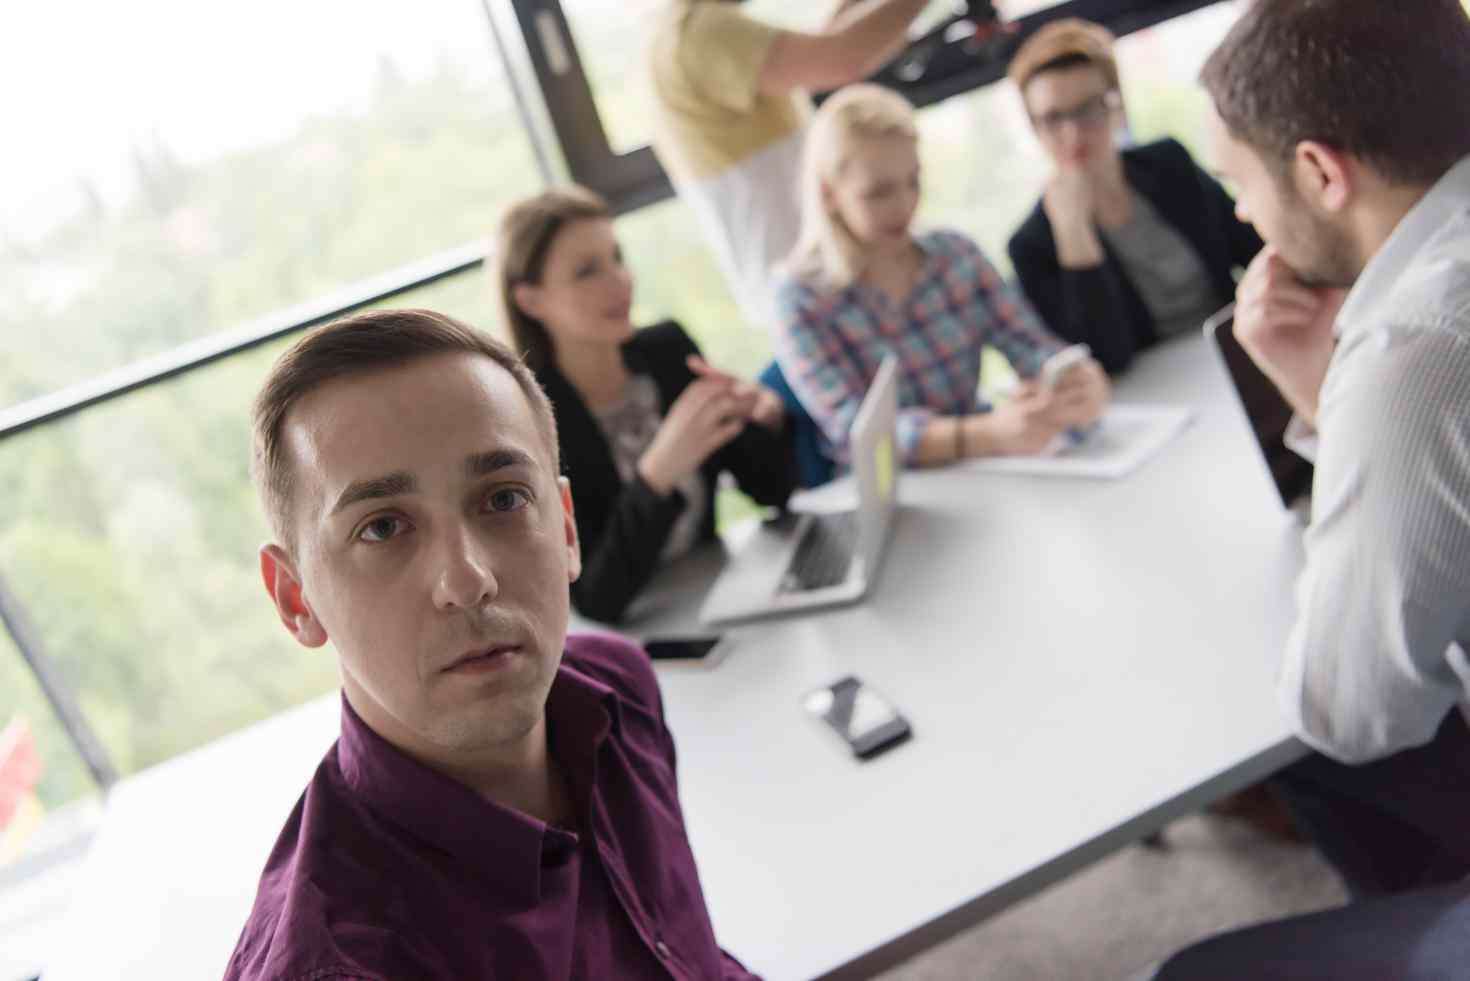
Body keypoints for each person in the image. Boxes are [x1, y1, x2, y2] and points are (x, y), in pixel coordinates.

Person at [225, 309, 759, 979]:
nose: (467, 579)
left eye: (503, 498)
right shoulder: (339, 961)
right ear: (296, 598)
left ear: (566, 529)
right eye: (384, 527)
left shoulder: (617, 690)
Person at [1200, 0, 1470, 901]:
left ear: (1319, 171)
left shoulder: (1415, 351)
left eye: (1239, 181)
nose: (1241, 212)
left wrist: (1346, 388)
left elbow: (1355, 711)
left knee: (1296, 738)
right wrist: (1320, 383)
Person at [493, 186, 797, 623]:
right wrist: (658, 473)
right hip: (641, 634)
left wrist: (762, 419)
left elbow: (774, 491)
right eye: (587, 271)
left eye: (616, 258)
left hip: (720, 597)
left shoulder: (668, 352)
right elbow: (595, 597)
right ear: (531, 300)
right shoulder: (527, 417)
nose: (619, 280)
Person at [772, 83, 1110, 469]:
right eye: (879, 192)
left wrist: (1070, 381)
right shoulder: (799, 299)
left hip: (989, 469)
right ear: (829, 193)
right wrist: (985, 434)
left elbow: (1029, 344)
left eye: (913, 181)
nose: (905, 205)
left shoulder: (955, 256)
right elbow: (855, 434)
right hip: (899, 498)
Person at [647, 0, 959, 328]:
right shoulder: (705, 33)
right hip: (815, 288)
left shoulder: (682, 32)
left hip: (814, 276)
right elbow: (839, 57)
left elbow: (832, 44)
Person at [1006, 18, 1263, 375]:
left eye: (1088, 108)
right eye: (1052, 118)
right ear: (1034, 129)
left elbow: (1254, 248)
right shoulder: (1031, 246)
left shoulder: (1168, 163)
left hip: (1237, 349)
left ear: (1117, 106)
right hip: (1155, 389)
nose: (1073, 132)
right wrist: (1074, 235)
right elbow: (1108, 360)